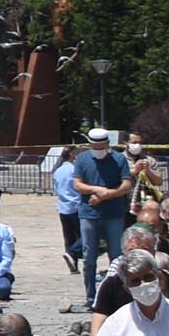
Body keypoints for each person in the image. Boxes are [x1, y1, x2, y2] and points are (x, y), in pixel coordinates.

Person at [71, 129, 137, 310]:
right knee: (89, 257)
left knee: (116, 256)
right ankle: (90, 296)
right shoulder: (83, 159)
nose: (98, 149)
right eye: (95, 146)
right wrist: (96, 190)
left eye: (101, 146)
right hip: (88, 213)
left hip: (114, 213)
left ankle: (117, 294)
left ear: (107, 144)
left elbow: (126, 185)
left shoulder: (119, 159)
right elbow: (77, 184)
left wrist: (107, 195)